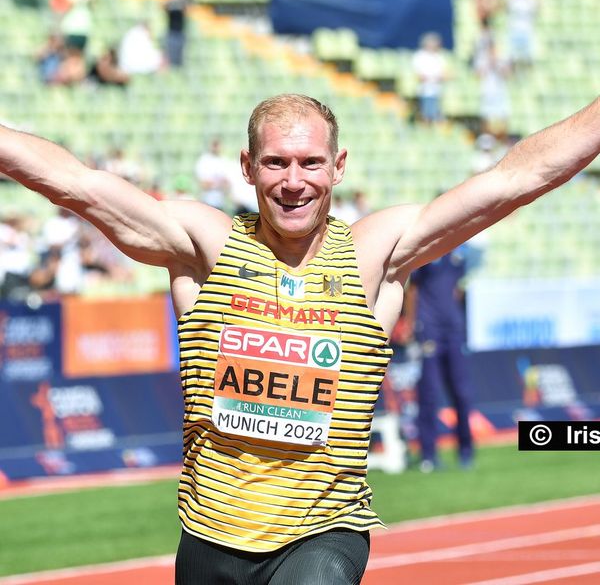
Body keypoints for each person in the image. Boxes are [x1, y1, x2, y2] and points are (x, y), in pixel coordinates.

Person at [0, 93, 598, 584]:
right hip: (209, 538)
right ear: (246, 167)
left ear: (338, 167)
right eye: (275, 163)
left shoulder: (375, 254)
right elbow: (73, 183)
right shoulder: (203, 246)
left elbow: (517, 178)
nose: (294, 182)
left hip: (323, 535)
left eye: (311, 163)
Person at [404, 246, 475, 472]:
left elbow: (458, 290)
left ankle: (466, 452)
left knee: (462, 394)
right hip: (430, 331)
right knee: (429, 394)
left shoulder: (459, 256)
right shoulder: (426, 254)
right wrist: (411, 323)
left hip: (453, 331)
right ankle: (428, 455)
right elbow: (413, 290)